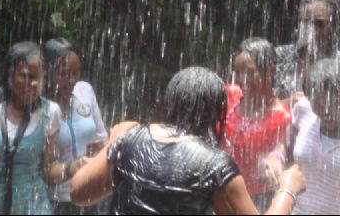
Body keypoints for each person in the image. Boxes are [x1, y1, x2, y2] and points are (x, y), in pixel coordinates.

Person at [71, 67, 305, 215]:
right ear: (217, 115)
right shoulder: (217, 167)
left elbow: (79, 193)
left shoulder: (129, 137)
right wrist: (287, 190)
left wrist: (116, 141)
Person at [0, 42, 85, 215]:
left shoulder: (50, 112)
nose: (34, 84)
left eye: (39, 78)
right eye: (26, 76)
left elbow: (47, 170)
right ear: (9, 74)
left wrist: (71, 168)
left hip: (33, 208)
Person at [263, 58, 340, 215]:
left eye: (333, 104)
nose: (326, 112)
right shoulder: (303, 110)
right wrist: (276, 157)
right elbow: (286, 142)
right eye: (318, 105)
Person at [224, 38, 292, 210]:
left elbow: (281, 148)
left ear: (271, 70)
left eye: (249, 72)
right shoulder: (229, 96)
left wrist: (275, 159)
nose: (242, 79)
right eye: (238, 72)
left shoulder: (282, 116)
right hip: (221, 192)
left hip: (256, 201)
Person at [43, 38, 108, 215]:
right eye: (64, 74)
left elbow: (103, 137)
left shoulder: (85, 91)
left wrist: (101, 148)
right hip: (58, 200)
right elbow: (41, 169)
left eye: (76, 72)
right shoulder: (41, 109)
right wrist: (70, 168)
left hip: (93, 194)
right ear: (47, 73)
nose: (72, 80)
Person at [276, 0, 339, 99]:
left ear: (335, 26)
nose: (311, 30)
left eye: (319, 23)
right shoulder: (280, 57)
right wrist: (286, 103)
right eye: (305, 22)